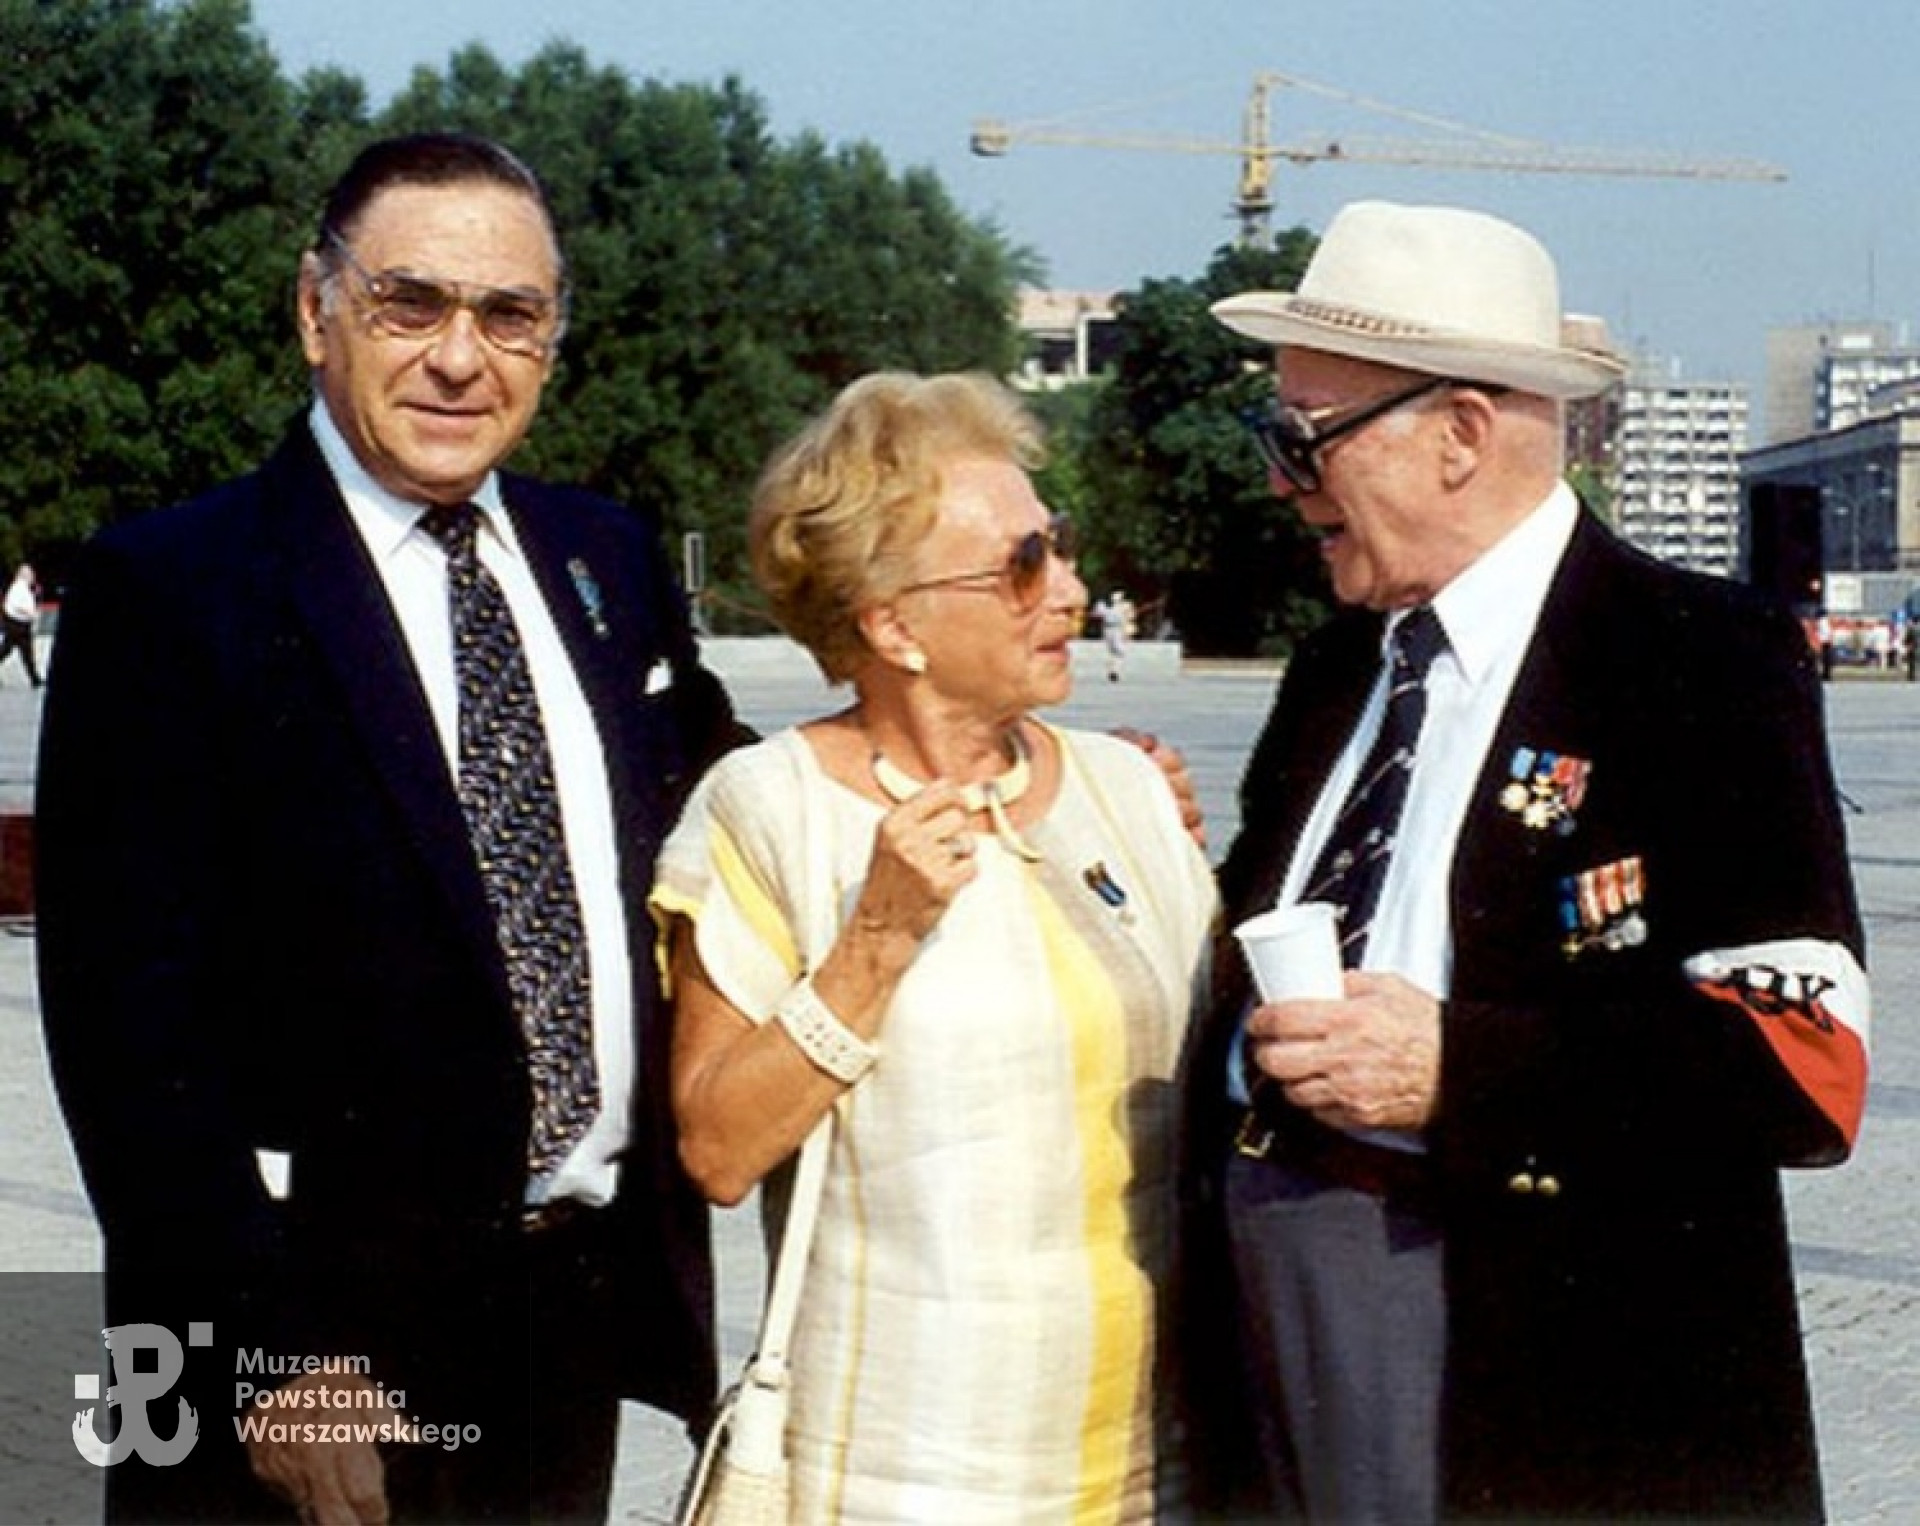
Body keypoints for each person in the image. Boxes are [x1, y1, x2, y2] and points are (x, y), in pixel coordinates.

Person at [37, 133, 740, 1523]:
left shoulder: (601, 555)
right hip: (315, 1350)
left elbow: (735, 794)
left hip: (563, 1320)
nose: (460, 358)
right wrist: (274, 1357)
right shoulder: (173, 588)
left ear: (552, 340)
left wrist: (1017, 765)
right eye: (409, 303)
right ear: (318, 311)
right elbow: (128, 1036)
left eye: (510, 315)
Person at [1176, 201, 1870, 1521]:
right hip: (1275, 1299)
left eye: (1303, 437)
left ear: (1459, 433)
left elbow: (1802, 1065)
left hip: (1533, 1333)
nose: (1279, 480)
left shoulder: (1696, 656)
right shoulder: (1339, 664)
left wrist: (1460, 1065)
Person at [653, 372, 1216, 1521]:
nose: (1071, 588)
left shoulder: (1128, 787)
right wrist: (877, 936)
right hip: (895, 1477)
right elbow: (717, 1147)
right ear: (892, 624)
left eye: (1060, 544)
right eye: (1024, 564)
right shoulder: (768, 808)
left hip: (1155, 1469)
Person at [0, 560, 42, 686]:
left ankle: (35, 679)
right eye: (30, 573)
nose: (33, 576)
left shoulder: (22, 587)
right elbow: (17, 605)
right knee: (11, 651)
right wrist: (31, 613)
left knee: (19, 652)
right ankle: (35, 679)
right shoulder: (19, 587)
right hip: (17, 625)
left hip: (18, 625)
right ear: (24, 574)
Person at [1094, 586, 1136, 682]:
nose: (1118, 595)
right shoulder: (1103, 604)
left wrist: (1127, 630)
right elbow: (1097, 614)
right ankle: (1112, 670)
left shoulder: (1126, 604)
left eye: (1120, 594)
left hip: (1118, 629)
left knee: (1119, 651)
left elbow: (1130, 617)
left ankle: (1114, 670)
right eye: (1117, 593)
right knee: (1114, 651)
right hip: (1108, 628)